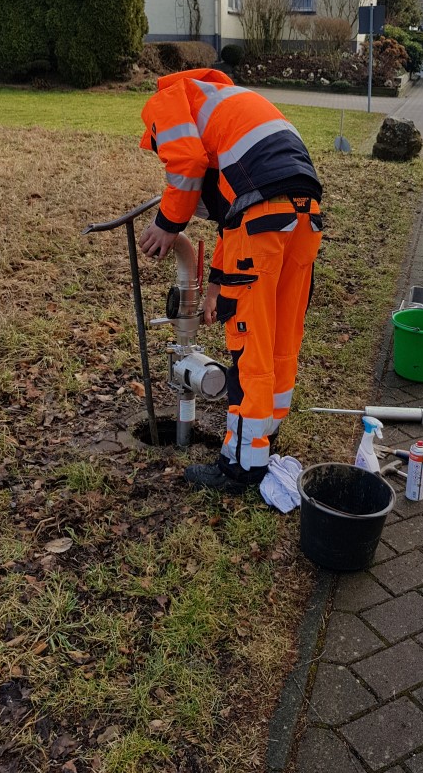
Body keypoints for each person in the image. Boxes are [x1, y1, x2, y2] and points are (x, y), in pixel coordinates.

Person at [138, 68, 323, 492]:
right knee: (282, 331)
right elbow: (231, 226)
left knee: (249, 343)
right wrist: (219, 286)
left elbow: (186, 163)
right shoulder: (225, 102)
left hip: (260, 216)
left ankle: (241, 467)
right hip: (304, 213)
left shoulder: (167, 101)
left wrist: (168, 223)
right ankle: (265, 435)